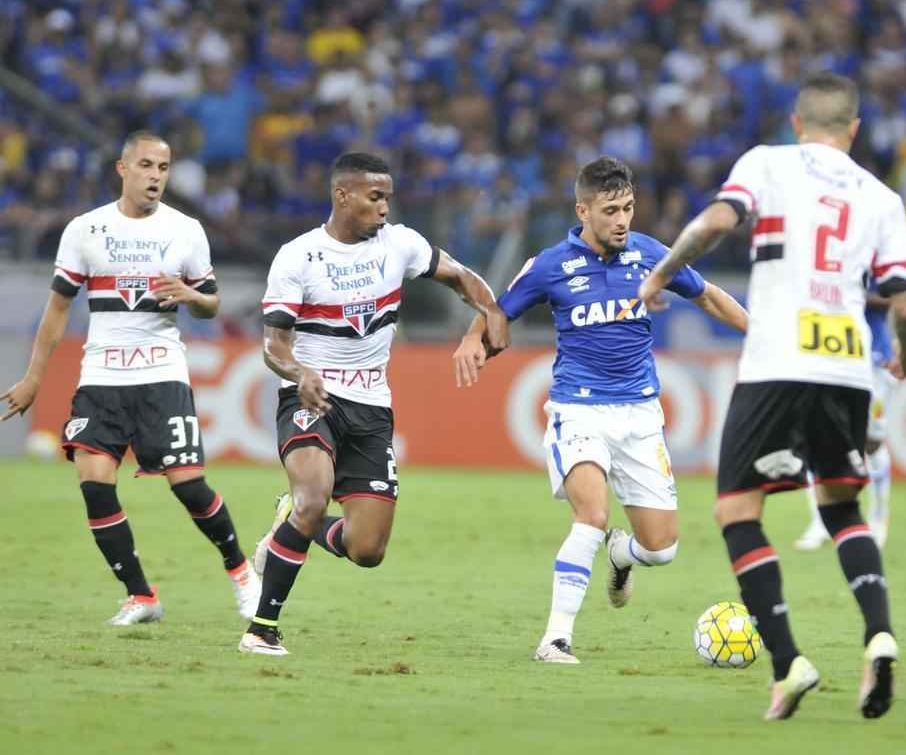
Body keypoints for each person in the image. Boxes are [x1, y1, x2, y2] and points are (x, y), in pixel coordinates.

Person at [640, 72, 906, 721]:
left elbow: (715, 221)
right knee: (842, 504)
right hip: (847, 363)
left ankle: (788, 661)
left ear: (797, 124)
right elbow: (905, 300)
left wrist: (661, 272)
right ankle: (878, 633)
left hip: (777, 358)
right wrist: (903, 355)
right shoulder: (882, 197)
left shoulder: (766, 163)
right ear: (853, 130)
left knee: (738, 509)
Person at [454, 156, 748, 664]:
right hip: (579, 409)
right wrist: (470, 339)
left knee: (661, 548)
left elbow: (709, 297)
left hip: (640, 417)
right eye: (610, 210)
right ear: (582, 211)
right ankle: (555, 638)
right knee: (591, 514)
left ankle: (621, 554)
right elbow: (499, 310)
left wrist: (761, 336)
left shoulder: (651, 255)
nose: (622, 220)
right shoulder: (551, 265)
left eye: (628, 208)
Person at [241, 151, 509, 656]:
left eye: (387, 196)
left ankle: (292, 521)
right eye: (374, 196)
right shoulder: (298, 256)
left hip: (371, 409)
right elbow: (274, 345)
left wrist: (490, 309)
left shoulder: (401, 244)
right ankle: (261, 628)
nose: (385, 206)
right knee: (314, 495)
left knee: (367, 550)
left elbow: (460, 276)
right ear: (343, 196)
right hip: (311, 400)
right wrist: (300, 373)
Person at [0, 131, 261, 625]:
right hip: (101, 375)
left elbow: (212, 305)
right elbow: (57, 310)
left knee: (188, 486)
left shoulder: (185, 230)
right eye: (146, 166)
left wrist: (189, 294)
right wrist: (34, 378)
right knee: (95, 483)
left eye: (163, 168)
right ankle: (141, 595)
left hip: (161, 373)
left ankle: (243, 573)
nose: (155, 177)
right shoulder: (85, 230)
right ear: (123, 170)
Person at [795, 284, 897, 551]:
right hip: (825, 353)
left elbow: (897, 296)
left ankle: (878, 520)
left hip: (873, 358)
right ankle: (820, 523)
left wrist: (846, 292)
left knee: (872, 442)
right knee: (814, 438)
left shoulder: (871, 249)